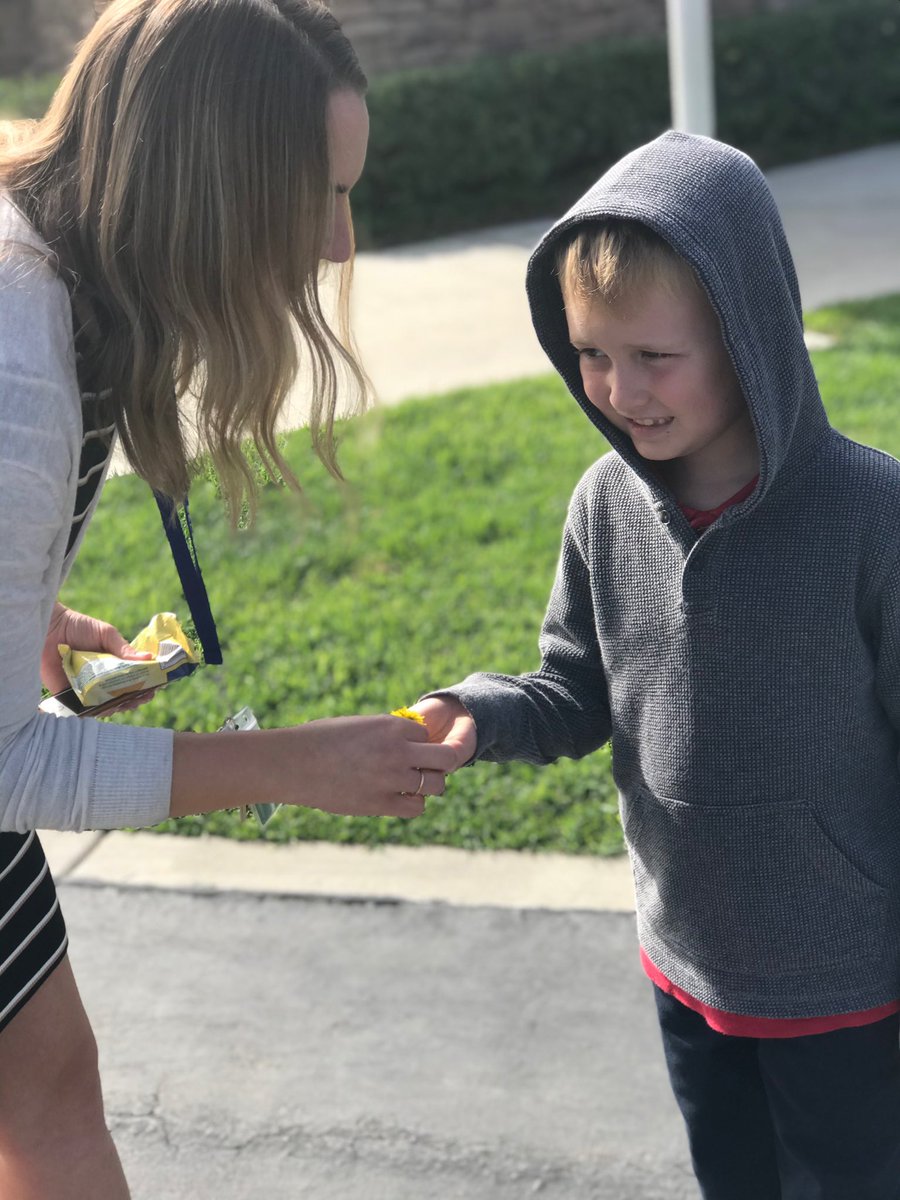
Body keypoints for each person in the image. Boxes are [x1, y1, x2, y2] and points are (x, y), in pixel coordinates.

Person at [0, 1, 455, 1195]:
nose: (341, 247)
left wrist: (24, 622)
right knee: (46, 1107)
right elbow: (0, 771)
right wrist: (286, 764)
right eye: (321, 196)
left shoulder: (47, 275)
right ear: (210, 185)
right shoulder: (20, 342)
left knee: (46, 1092)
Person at [411, 132, 900, 1199]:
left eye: (654, 357)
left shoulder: (873, 517)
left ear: (749, 335)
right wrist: (476, 715)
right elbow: (573, 690)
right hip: (687, 964)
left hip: (850, 989)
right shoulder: (603, 505)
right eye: (592, 353)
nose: (618, 388)